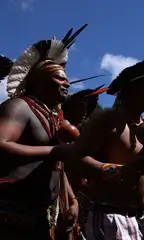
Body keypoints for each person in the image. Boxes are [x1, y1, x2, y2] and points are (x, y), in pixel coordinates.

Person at [52, 53, 144, 240]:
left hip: (142, 217)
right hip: (112, 217)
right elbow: (76, 158)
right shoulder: (109, 120)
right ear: (131, 89)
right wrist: (117, 172)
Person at [0, 25, 87, 240]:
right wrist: (53, 150)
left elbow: (56, 164)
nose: (67, 82)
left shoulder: (53, 118)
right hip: (10, 218)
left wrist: (73, 200)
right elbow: (1, 143)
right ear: (38, 80)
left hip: (39, 219)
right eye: (59, 77)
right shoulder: (18, 106)